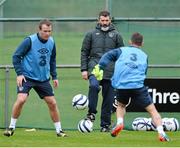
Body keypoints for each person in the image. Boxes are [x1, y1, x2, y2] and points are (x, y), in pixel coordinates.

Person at [92, 32, 169, 141]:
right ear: (142, 43)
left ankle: (119, 123)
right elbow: (145, 72)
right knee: (152, 110)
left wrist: (100, 66)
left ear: (130, 42)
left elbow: (107, 55)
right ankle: (161, 132)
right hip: (138, 86)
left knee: (121, 105)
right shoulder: (144, 56)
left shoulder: (121, 50)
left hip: (122, 86)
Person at [3, 19, 67, 137]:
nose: (47, 33)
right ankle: (11, 128)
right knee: (21, 99)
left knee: (52, 103)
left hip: (43, 79)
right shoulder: (29, 41)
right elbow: (16, 56)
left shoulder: (52, 42)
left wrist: (55, 76)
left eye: (49, 31)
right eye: (45, 31)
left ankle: (59, 131)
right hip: (27, 77)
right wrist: (19, 74)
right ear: (39, 30)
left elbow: (52, 60)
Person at [80, 10, 124, 132]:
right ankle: (91, 113)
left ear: (110, 20)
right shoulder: (91, 34)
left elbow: (121, 55)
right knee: (94, 86)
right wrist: (84, 69)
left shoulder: (116, 35)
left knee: (108, 98)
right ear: (99, 20)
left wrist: (119, 71)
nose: (104, 23)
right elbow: (84, 52)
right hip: (95, 67)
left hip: (110, 71)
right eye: (102, 20)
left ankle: (105, 125)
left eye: (107, 20)